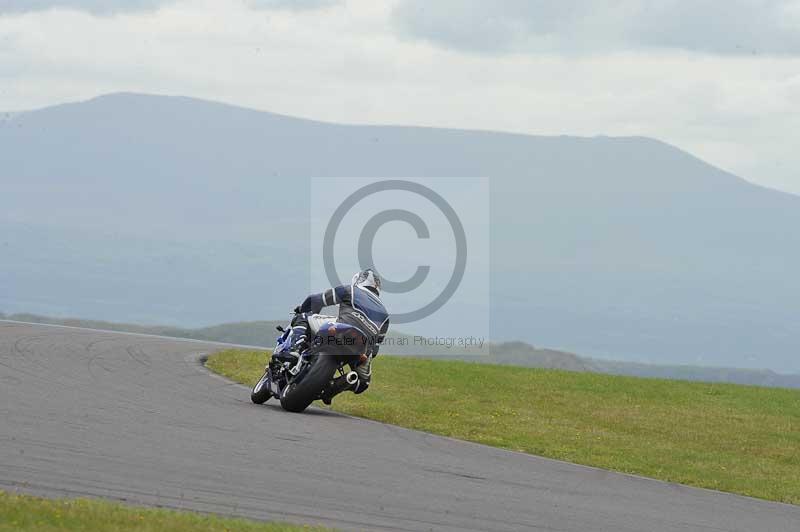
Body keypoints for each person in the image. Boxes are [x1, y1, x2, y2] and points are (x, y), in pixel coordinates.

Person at [286, 269, 389, 404]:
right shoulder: (386, 315)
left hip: (340, 330)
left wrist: (303, 309)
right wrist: (363, 356)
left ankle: (295, 349)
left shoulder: (350, 290)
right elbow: (375, 349)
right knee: (363, 383)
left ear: (358, 280)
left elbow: (317, 300)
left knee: (303, 317)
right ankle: (335, 387)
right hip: (362, 346)